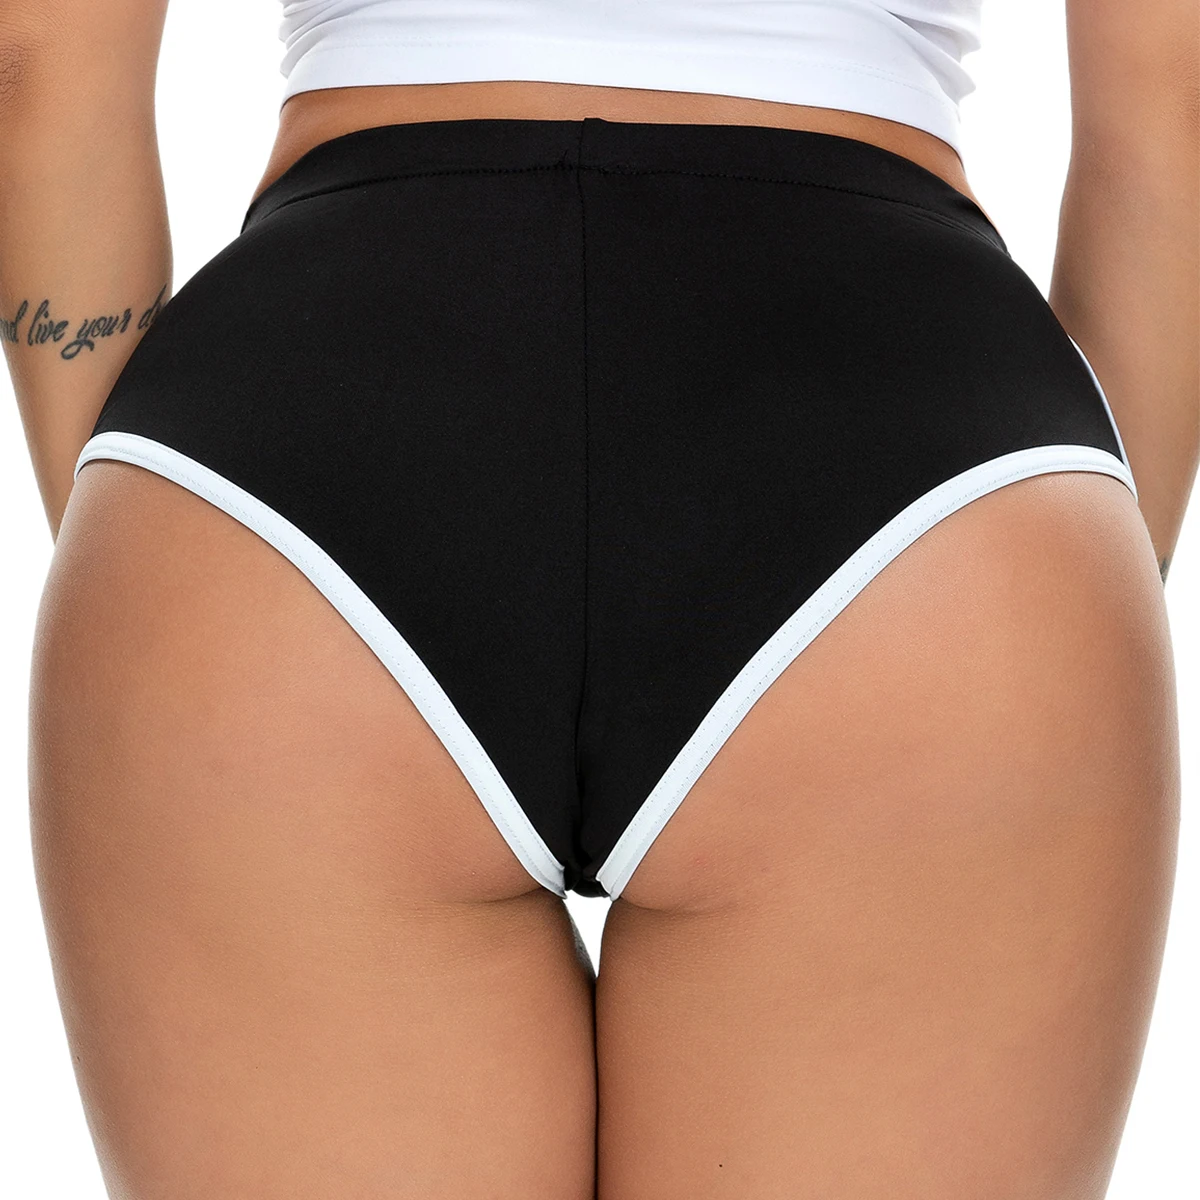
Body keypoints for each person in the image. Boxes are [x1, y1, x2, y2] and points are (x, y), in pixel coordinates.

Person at [1, 0, 1195, 1196]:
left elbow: (34, 56)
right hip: (920, 457)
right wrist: (1045, 649)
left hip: (292, 435)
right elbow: (1177, 94)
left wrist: (160, 557)